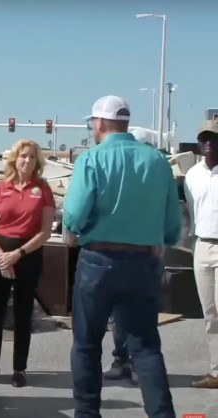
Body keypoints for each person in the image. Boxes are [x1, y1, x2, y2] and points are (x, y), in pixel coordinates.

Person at [64, 95, 179, 417]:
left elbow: (74, 214)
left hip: (99, 261)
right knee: (145, 347)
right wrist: (163, 240)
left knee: (87, 345)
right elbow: (172, 220)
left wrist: (75, 229)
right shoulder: (157, 161)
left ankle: (87, 413)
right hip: (144, 263)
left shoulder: (92, 159)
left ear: (99, 123)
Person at [0, 138, 54, 388]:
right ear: (15, 159)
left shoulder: (43, 189)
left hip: (28, 256)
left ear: (37, 162)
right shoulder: (2, 188)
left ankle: (19, 369)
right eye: (23, 156)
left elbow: (45, 232)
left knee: (23, 314)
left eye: (32, 157)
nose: (27, 160)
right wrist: (2, 255)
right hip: (0, 255)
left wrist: (18, 254)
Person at [184, 120, 218, 389]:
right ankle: (216, 372)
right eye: (203, 138)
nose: (208, 143)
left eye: (213, 138)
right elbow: (193, 212)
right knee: (210, 314)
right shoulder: (192, 175)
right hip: (203, 245)